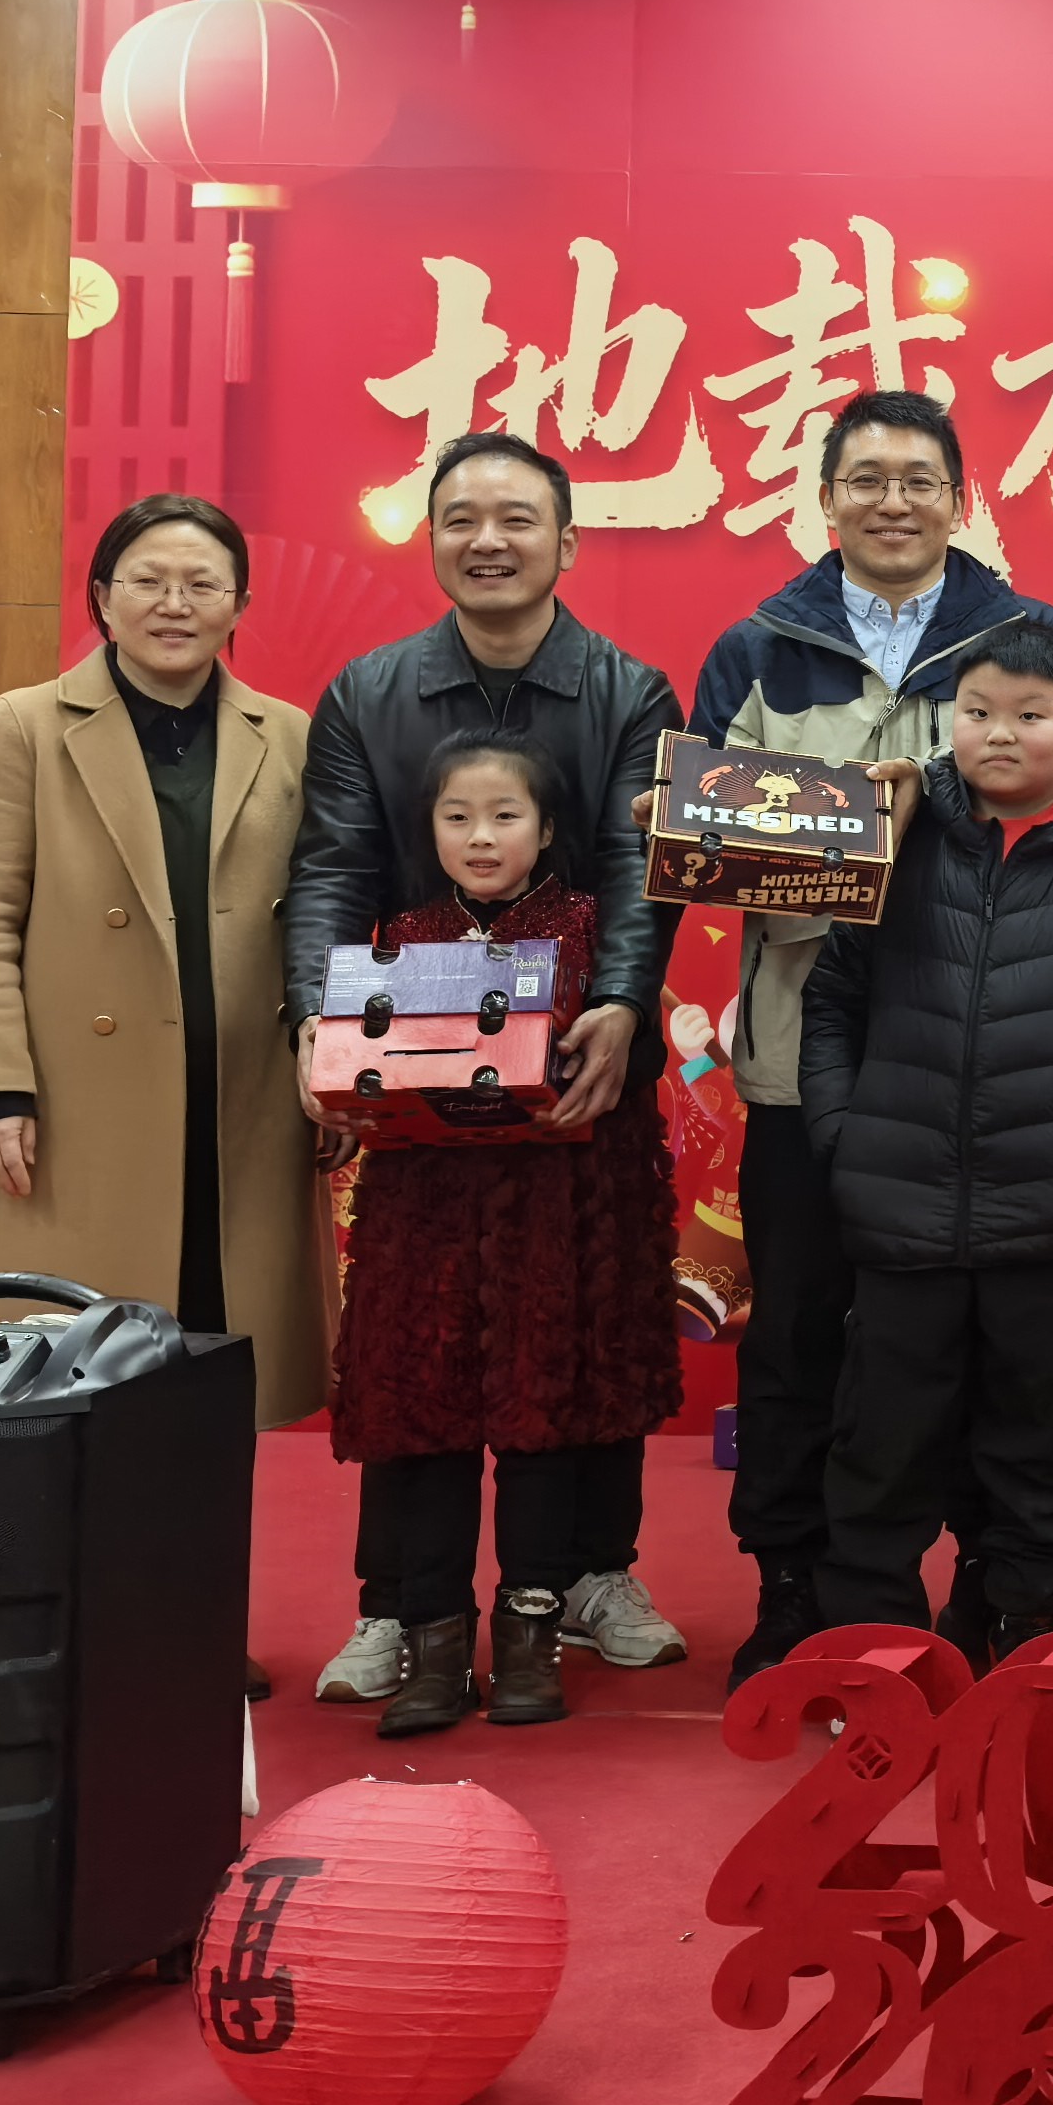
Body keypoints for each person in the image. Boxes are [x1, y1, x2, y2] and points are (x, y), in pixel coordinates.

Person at [286, 430, 687, 1705]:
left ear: (567, 541)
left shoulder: (631, 690)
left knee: (583, 1332)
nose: (489, 540)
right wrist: (316, 1021)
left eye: (518, 518)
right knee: (417, 1348)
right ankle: (397, 1608)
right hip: (420, 1083)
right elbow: (333, 866)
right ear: (432, 538)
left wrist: (620, 1003)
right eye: (461, 517)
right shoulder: (368, 693)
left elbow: (638, 866)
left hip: (578, 1070)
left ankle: (588, 1577)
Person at [684, 388, 1053, 1681]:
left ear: (958, 497)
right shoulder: (756, 648)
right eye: (867, 479)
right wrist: (853, 838)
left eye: (918, 479)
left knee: (979, 1344)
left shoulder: (1024, 636)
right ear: (826, 496)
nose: (893, 501)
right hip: (802, 1060)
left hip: (978, 1062)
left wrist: (914, 812)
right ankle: (792, 1589)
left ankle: (984, 1586)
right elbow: (706, 844)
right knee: (796, 1334)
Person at [0, 494, 324, 1697]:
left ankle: (188, 1631)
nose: (174, 604)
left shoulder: (286, 734)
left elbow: (320, 912)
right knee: (58, 1383)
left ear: (240, 605)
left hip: (233, 1117)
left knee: (200, 1390)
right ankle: (37, 1634)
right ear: (101, 597)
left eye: (202, 583)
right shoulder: (28, 726)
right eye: (147, 579)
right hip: (71, 1119)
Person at [799, 629, 1053, 1661]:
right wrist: (845, 1135)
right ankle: (874, 1645)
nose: (1000, 734)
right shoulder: (896, 841)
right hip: (899, 1210)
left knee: (1044, 1440)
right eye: (978, 712)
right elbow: (831, 1002)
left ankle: (1016, 1623)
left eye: (1030, 715)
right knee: (882, 1440)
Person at [328, 737, 682, 1736]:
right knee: (425, 1418)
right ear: (428, 830)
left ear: (549, 829)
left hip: (559, 1216)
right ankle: (433, 1643)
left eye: (505, 817)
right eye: (458, 818)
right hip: (428, 1219)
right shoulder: (402, 940)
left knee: (546, 1415)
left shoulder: (597, 934)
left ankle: (533, 1636)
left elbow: (634, 1061)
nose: (481, 837)